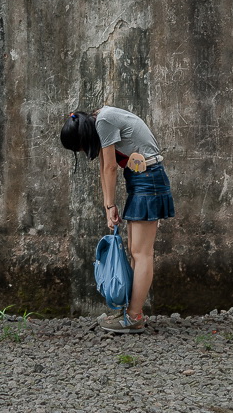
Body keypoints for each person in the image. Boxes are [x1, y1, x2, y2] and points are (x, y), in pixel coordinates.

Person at [60, 105, 175, 334]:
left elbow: (112, 167)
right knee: (135, 252)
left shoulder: (104, 121)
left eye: (80, 147)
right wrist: (107, 206)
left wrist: (111, 204)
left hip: (148, 179)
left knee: (142, 254)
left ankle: (133, 317)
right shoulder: (102, 121)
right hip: (139, 178)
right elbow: (104, 166)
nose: (83, 151)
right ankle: (130, 312)